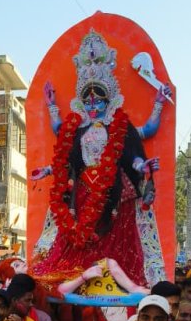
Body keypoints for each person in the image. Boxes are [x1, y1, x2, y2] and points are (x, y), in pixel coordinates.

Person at [31, 29, 168, 288]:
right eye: (89, 102)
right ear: (82, 104)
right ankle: (79, 278)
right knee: (75, 237)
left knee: (117, 237)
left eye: (99, 102)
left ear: (109, 101)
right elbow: (63, 144)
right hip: (82, 192)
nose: (94, 107)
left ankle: (117, 280)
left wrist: (144, 164)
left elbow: (142, 140)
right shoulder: (78, 130)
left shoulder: (120, 128)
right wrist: (48, 170)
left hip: (113, 191)